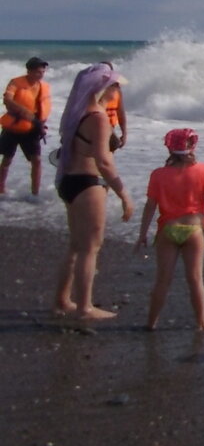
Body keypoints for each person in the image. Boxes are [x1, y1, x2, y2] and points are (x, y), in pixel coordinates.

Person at [53, 63, 135, 319]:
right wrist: (123, 193)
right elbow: (103, 160)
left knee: (76, 246)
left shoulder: (76, 113)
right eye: (114, 85)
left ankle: (62, 300)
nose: (117, 90)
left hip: (69, 181)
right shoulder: (98, 117)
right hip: (89, 183)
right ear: (103, 87)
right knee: (91, 247)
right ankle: (84, 307)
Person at [136, 128, 204, 331]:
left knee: (163, 279)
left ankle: (151, 322)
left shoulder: (158, 175)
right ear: (192, 146)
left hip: (167, 230)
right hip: (194, 229)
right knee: (195, 279)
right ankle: (202, 323)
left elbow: (150, 206)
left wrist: (142, 234)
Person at [0, 56, 51, 195]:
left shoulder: (44, 87)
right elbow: (7, 100)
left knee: (37, 160)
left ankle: (35, 193)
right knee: (7, 160)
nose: (40, 74)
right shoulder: (15, 83)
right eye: (37, 72)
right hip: (12, 128)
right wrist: (26, 113)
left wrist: (40, 124)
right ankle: (1, 189)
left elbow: (43, 107)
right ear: (29, 71)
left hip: (32, 129)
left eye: (42, 72)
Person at [99, 61, 127, 152]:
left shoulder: (117, 91)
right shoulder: (95, 91)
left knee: (107, 156)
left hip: (110, 128)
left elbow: (120, 113)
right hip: (96, 127)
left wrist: (124, 133)